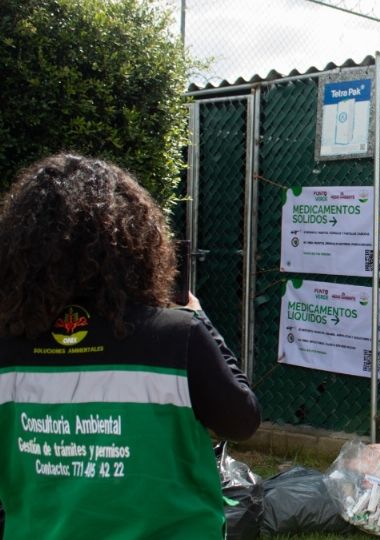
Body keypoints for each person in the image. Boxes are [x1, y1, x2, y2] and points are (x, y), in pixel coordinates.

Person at [0, 154, 260, 539]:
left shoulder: (9, 346)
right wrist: (199, 316)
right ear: (135, 243)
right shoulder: (177, 335)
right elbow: (242, 420)